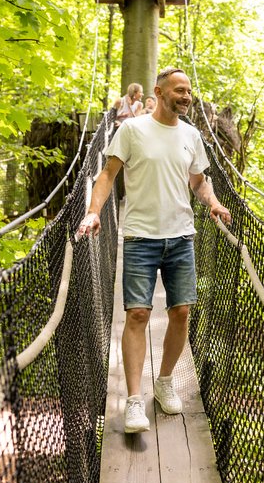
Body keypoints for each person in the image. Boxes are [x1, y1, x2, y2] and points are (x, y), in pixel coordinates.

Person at [77, 67, 232, 434]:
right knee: (138, 315)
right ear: (159, 92)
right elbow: (107, 176)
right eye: (179, 90)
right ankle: (133, 401)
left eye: (189, 91)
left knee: (181, 312)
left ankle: (164, 382)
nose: (186, 96)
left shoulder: (192, 135)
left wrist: (211, 202)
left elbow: (198, 181)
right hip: (140, 237)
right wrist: (93, 212)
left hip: (181, 237)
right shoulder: (131, 130)